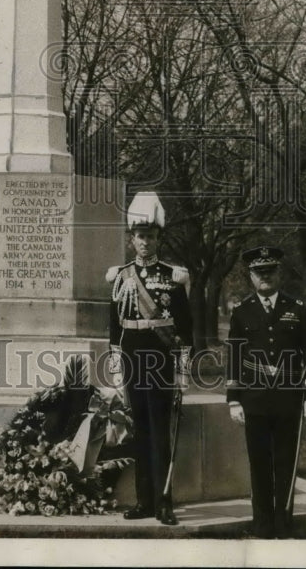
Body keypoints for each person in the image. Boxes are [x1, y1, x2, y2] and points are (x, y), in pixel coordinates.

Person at [107, 191, 193, 526]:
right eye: (141, 237)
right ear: (132, 240)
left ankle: (163, 501)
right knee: (140, 431)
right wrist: (115, 365)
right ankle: (144, 501)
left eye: (151, 236)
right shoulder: (120, 276)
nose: (146, 242)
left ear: (159, 238)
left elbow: (185, 326)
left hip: (160, 359)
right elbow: (114, 325)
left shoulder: (173, 275)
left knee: (160, 431)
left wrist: (183, 367)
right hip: (131, 358)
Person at [226, 245, 306, 539]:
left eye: (269, 271)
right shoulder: (242, 312)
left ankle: (284, 523)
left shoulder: (297, 309)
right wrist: (233, 399)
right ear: (251, 276)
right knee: (259, 464)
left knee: (285, 462)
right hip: (254, 400)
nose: (265, 277)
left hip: (288, 399)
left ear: (278, 273)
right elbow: (234, 358)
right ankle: (263, 524)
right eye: (259, 272)